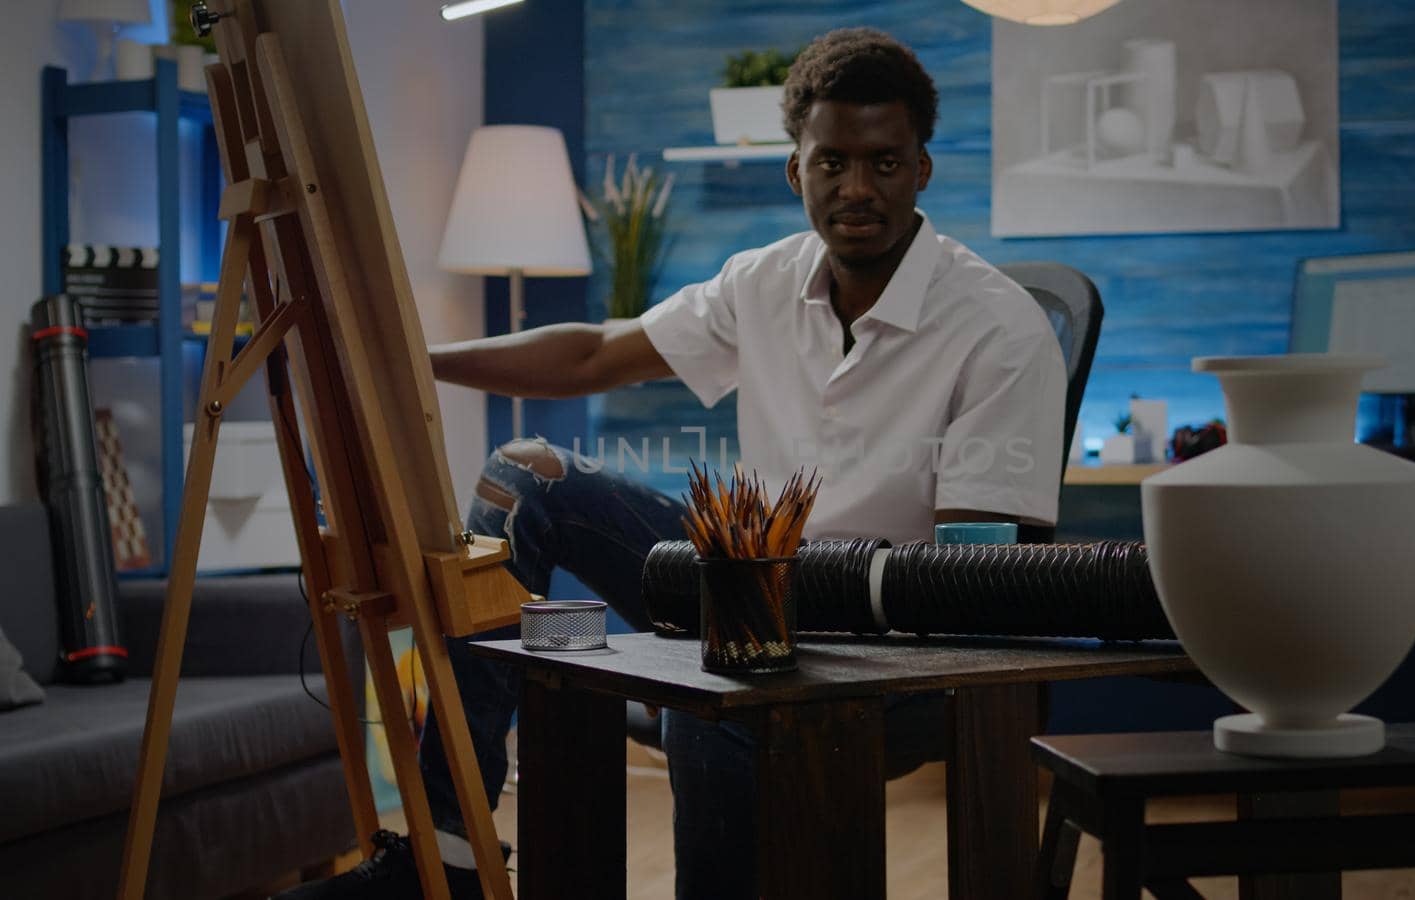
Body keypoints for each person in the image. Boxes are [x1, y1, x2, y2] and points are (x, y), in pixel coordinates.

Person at [276, 26, 1065, 900]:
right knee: (528, 475)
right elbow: (592, 355)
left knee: (715, 693)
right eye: (832, 161)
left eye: (884, 163)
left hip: (905, 648)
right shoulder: (763, 280)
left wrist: (777, 612)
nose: (858, 189)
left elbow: (976, 586)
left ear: (921, 168)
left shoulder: (1000, 329)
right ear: (794, 171)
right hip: (753, 591)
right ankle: (449, 853)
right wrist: (411, 358)